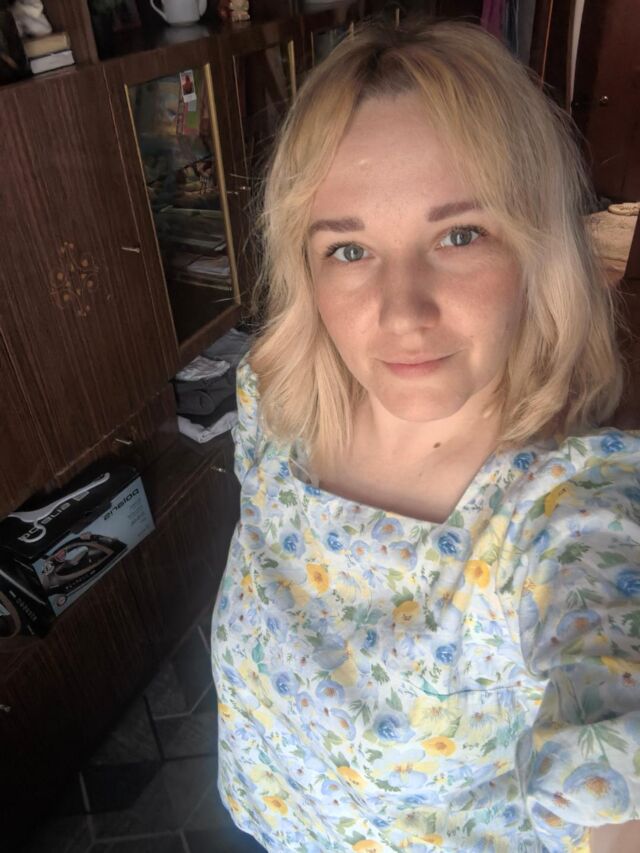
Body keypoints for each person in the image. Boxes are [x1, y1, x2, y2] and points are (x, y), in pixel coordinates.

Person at [210, 18, 640, 853]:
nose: (402, 312)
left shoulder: (567, 511)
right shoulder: (275, 404)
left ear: (538, 248)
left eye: (459, 235)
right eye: (349, 249)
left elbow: (613, 727)